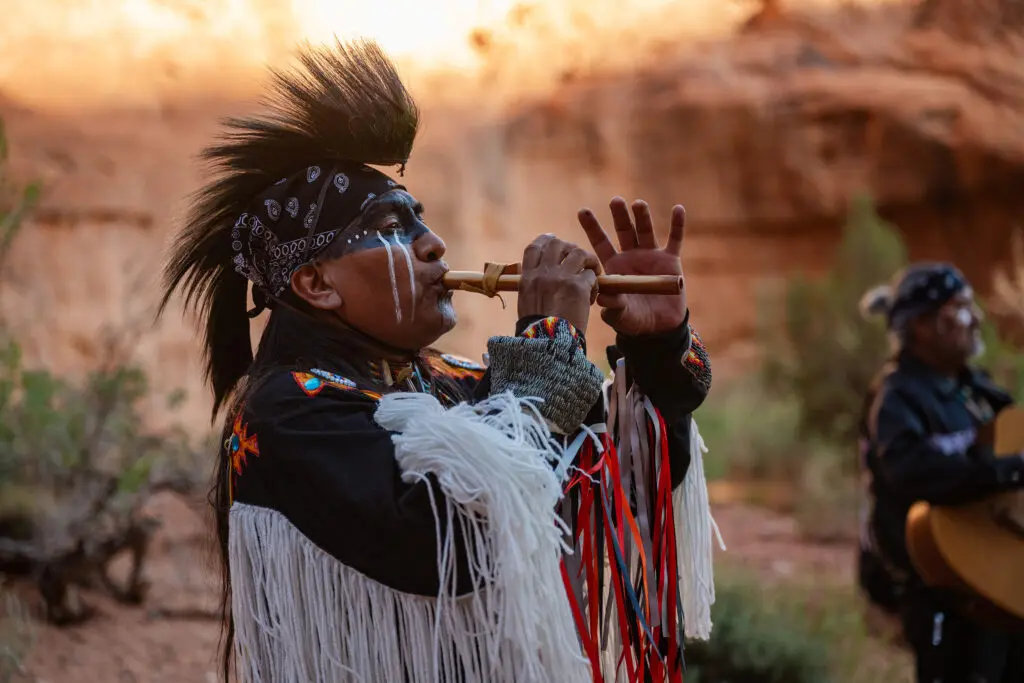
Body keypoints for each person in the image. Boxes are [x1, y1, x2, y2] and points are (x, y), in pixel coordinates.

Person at [159, 40, 720, 683]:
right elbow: (446, 539)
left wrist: (658, 344)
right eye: (393, 225)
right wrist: (547, 337)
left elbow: (628, 478)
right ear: (316, 283)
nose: (435, 245)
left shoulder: (452, 379)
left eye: (420, 220)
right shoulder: (287, 410)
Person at [857, 262, 1024, 683]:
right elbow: (913, 470)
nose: (978, 318)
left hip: (992, 577)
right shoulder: (897, 399)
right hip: (941, 590)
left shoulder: (974, 388)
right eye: (962, 308)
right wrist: (1005, 472)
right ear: (925, 325)